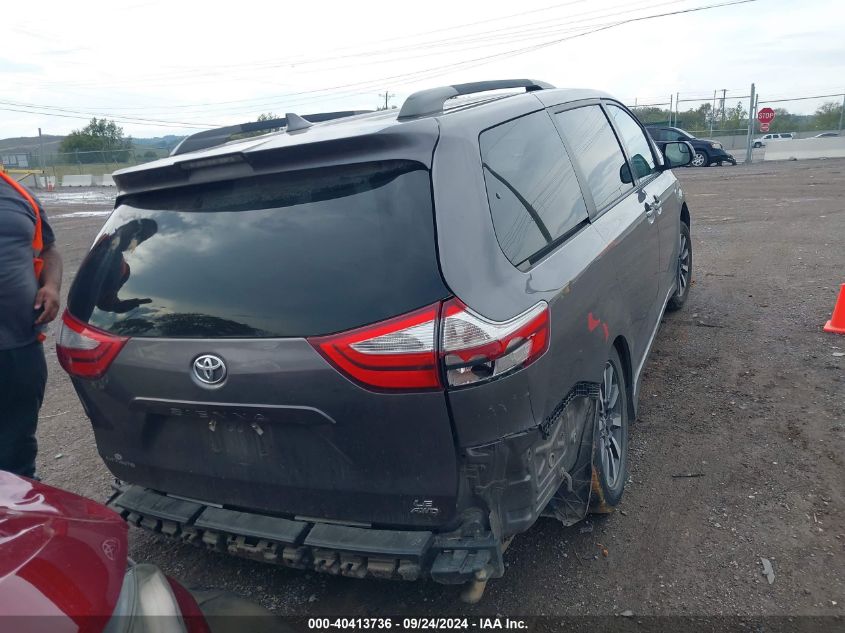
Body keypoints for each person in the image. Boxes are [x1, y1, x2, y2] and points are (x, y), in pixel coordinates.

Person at [0, 171, 62, 478]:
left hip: (21, 347)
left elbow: (49, 251)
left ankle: (17, 520)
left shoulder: (20, 196)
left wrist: (51, 285)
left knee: (18, 449)